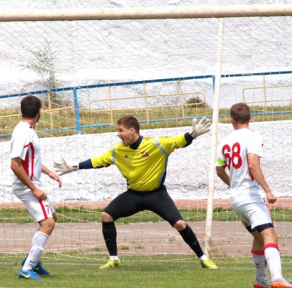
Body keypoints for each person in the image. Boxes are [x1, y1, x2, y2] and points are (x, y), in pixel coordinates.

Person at [54, 114, 217, 270]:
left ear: (132, 130)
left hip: (157, 194)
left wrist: (192, 134)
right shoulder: (117, 150)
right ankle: (114, 260)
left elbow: (178, 141)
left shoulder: (156, 144)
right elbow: (98, 161)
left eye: (120, 130)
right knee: (106, 215)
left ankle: (203, 259)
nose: (118, 134)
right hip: (134, 195)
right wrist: (74, 167)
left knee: (180, 224)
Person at [215, 103, 292, 288]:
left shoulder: (224, 141)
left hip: (236, 199)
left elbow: (219, 170)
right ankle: (277, 277)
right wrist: (268, 191)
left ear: (232, 120)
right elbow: (253, 165)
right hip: (250, 197)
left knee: (259, 237)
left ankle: (260, 279)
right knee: (270, 235)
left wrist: (233, 184)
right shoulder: (252, 137)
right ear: (250, 118)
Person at [10, 95, 61, 280]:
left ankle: (33, 259)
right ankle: (27, 268)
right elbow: (15, 164)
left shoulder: (28, 130)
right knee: (47, 223)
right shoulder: (24, 132)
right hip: (26, 186)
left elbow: (31, 160)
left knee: (52, 218)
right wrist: (33, 188)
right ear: (39, 112)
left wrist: (48, 172)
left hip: (32, 183)